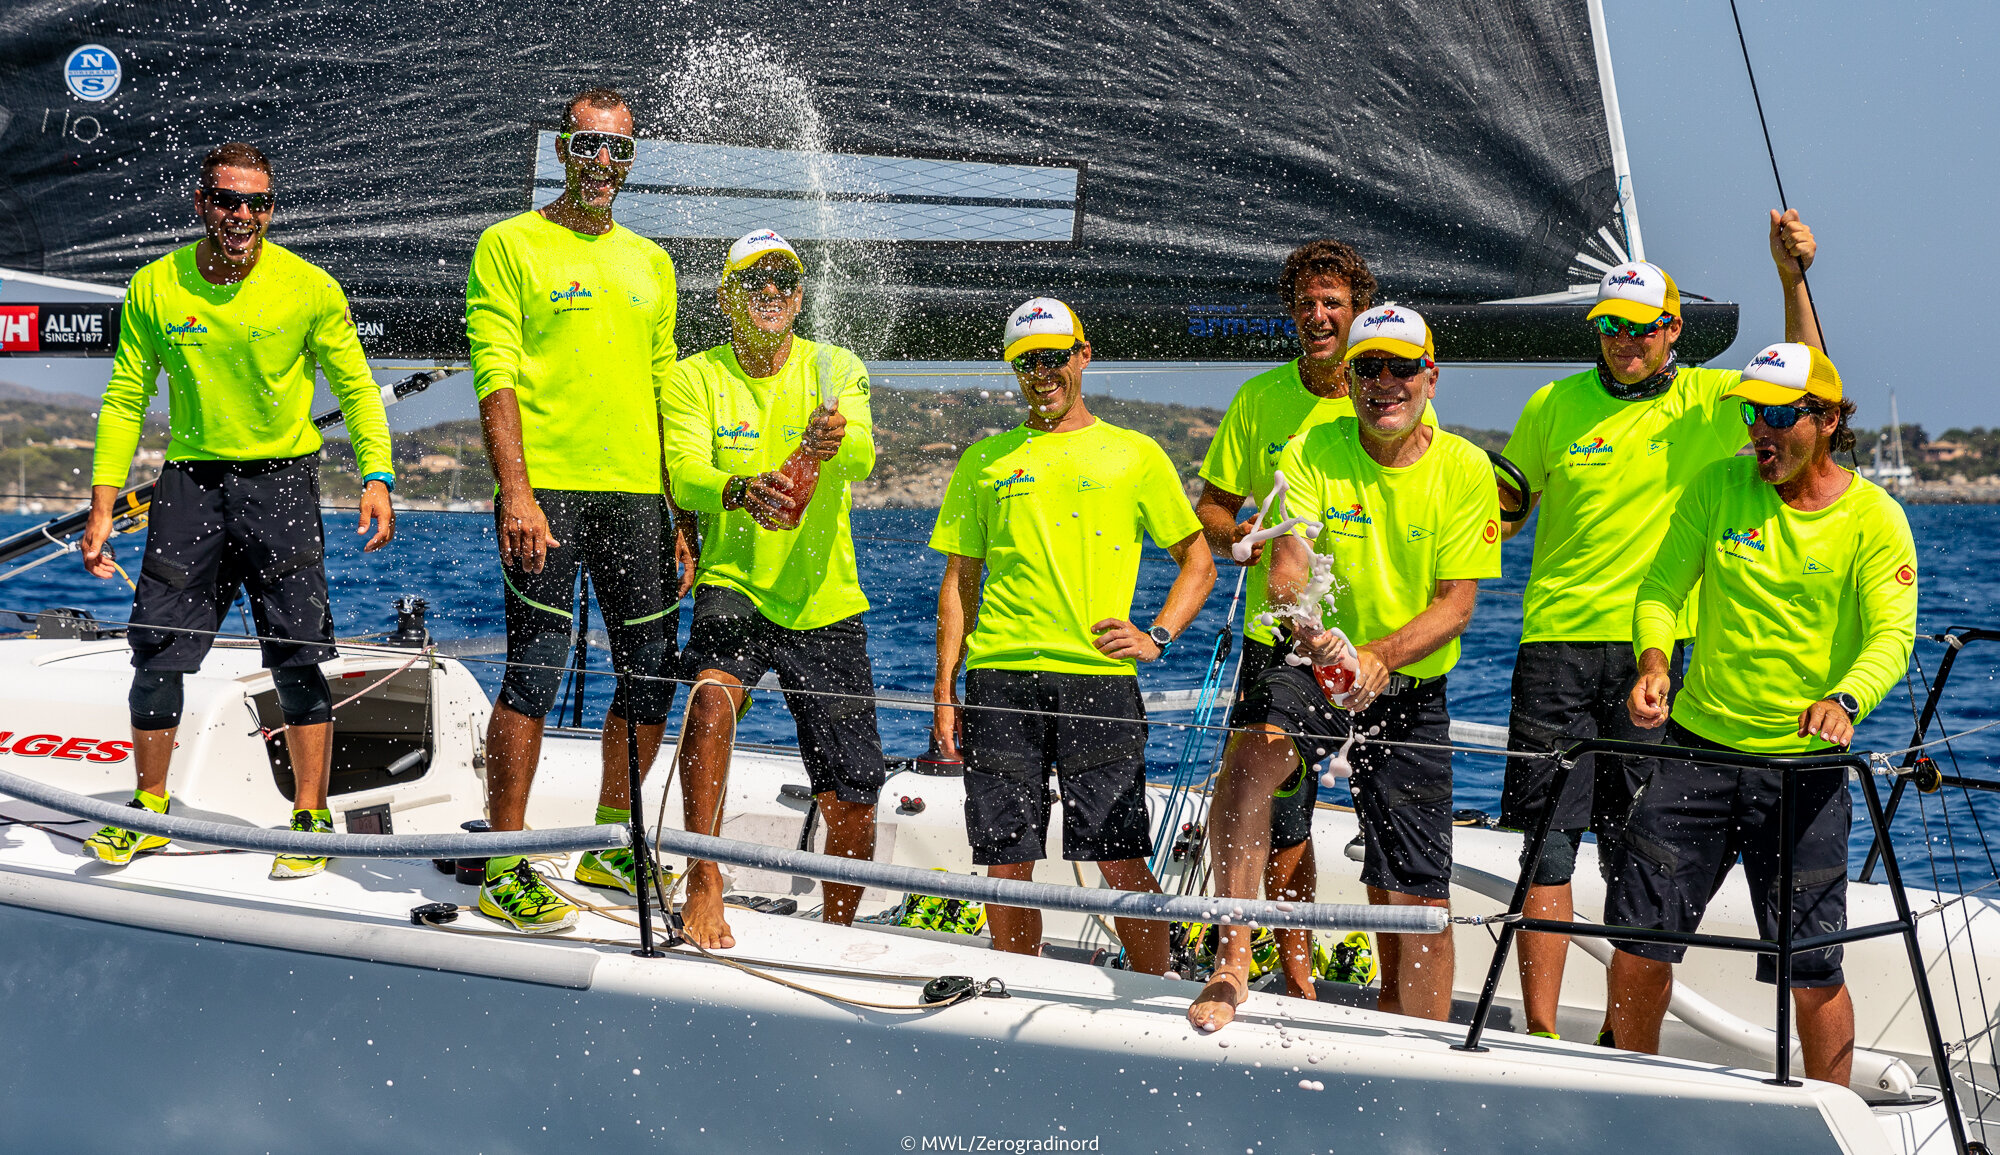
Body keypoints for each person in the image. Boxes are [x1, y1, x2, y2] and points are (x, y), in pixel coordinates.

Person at [1494, 212, 1822, 1039]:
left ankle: (1621, 1036)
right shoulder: (1551, 404)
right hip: (1555, 650)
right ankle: (1542, 1032)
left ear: (1674, 329)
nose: (1624, 341)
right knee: (1547, 846)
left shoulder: (1710, 402)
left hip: (1661, 657)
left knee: (1638, 853)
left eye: (1641, 327)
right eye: (1610, 326)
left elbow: (1808, 382)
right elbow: (1503, 506)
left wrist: (1791, 279)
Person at [78, 141, 396, 880]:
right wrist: (101, 508)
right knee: (156, 653)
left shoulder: (309, 287)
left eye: (258, 203)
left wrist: (376, 476)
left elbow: (356, 386)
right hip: (191, 486)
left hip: (283, 486)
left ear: (271, 210)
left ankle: (310, 817)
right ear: (202, 203)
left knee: (297, 656)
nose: (242, 215)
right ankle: (148, 808)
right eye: (228, 200)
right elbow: (125, 398)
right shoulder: (156, 286)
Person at [1608, 342, 1914, 1087]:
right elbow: (1659, 589)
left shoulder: (1876, 518)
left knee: (1812, 967)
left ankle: (1829, 1112)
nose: (1759, 429)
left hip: (1803, 770)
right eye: (1751, 411)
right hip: (1696, 753)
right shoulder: (1717, 486)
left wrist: (1845, 700)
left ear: (1828, 420)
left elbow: (1892, 636)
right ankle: (1624, 1098)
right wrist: (1654, 662)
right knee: (1637, 944)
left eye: (1778, 414)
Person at [1188, 305, 1500, 1032]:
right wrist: (1312, 628)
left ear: (1430, 376)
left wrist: (1378, 656)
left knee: (1418, 897)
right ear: (1349, 378)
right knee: (1247, 762)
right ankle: (1232, 962)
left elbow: (1455, 606)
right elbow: (1288, 571)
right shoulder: (1312, 449)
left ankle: (1422, 1044)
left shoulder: (1465, 467)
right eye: (1367, 368)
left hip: (1410, 682)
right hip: (1314, 657)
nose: (1383, 382)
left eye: (1400, 367)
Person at [929, 298, 1215, 974]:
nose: (1042, 372)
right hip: (999, 680)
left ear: (1083, 356)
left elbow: (1199, 563)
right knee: (1006, 863)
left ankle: (1153, 991)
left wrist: (1158, 636)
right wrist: (945, 690)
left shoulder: (1135, 454)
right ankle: (1014, 985)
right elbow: (960, 583)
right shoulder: (984, 460)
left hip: (1098, 682)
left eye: (1055, 356)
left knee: (1121, 859)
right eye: (1028, 361)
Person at [465, 87, 687, 933]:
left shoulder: (653, 263)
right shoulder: (509, 244)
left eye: (619, 150)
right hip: (546, 493)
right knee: (536, 669)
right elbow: (496, 375)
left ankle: (610, 841)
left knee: (651, 670)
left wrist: (683, 510)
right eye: (589, 145)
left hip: (639, 497)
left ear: (631, 160)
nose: (603, 162)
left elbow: (666, 390)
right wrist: (516, 491)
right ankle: (503, 863)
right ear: (560, 149)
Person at [1194, 239, 1436, 997]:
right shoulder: (1259, 399)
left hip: (1377, 650)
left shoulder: (1396, 395)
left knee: (1385, 825)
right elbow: (1212, 508)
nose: (1319, 315)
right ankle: (1280, 968)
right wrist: (1240, 535)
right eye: (1306, 303)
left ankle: (1362, 983)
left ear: (1358, 312)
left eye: (1333, 302)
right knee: (1281, 809)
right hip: (1282, 640)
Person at [660, 229, 883, 950]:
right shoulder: (693, 377)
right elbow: (684, 470)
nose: (771, 291)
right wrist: (735, 489)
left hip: (825, 597)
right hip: (735, 581)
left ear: (801, 295)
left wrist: (833, 438)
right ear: (725, 294)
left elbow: (863, 457)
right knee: (711, 702)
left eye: (785, 279)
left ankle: (840, 928)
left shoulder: (835, 365)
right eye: (754, 279)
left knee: (852, 793)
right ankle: (704, 882)